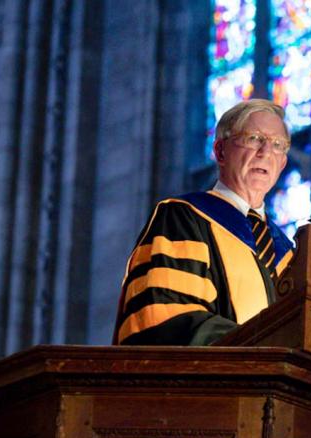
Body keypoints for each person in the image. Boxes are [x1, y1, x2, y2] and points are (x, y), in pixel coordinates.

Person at [112, 99, 294, 345]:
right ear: (220, 151)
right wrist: (255, 350)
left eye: (277, 145)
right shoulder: (183, 219)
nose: (265, 153)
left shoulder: (290, 254)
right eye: (253, 138)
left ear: (282, 163)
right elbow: (165, 315)